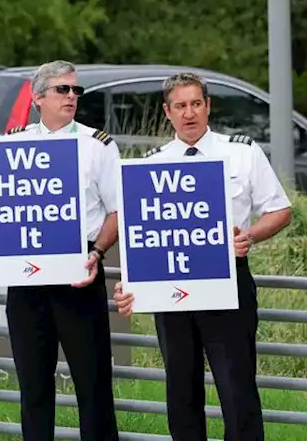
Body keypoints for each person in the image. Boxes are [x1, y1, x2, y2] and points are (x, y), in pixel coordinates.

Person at [113, 72, 293, 441]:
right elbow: (140, 234)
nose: (189, 113)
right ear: (167, 111)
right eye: (180, 105)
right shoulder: (150, 164)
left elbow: (279, 210)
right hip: (171, 288)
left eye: (196, 103)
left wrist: (250, 236)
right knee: (181, 389)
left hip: (228, 282)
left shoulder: (242, 152)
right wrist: (129, 283)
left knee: (236, 387)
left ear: (208, 106)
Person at [0, 61, 120, 441]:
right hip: (26, 273)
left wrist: (98, 253)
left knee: (92, 381)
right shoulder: (12, 143)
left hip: (79, 269)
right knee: (33, 384)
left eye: (75, 91)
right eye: (62, 90)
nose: (72, 97)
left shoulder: (97, 144)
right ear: (38, 99)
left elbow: (118, 210)